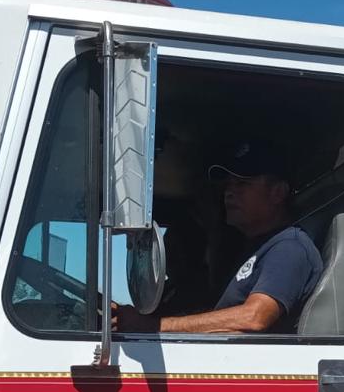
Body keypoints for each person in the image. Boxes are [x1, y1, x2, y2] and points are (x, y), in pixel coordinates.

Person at [115, 141, 322, 334]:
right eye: (228, 184)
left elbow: (255, 318)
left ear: (278, 192)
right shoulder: (255, 250)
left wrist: (151, 326)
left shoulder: (289, 248)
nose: (229, 192)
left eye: (242, 183)